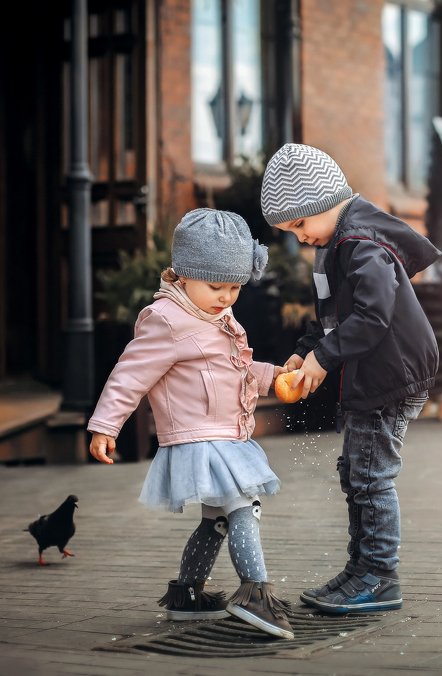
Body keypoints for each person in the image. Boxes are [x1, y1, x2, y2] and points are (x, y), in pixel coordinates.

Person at [87, 208, 293, 640]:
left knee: (216, 519)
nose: (226, 297)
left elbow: (237, 368)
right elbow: (130, 373)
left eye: (235, 287)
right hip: (199, 438)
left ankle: (188, 594)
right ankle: (255, 594)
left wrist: (275, 376)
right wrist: (106, 425)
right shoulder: (166, 320)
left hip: (225, 437)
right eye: (216, 286)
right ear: (183, 275)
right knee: (243, 508)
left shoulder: (218, 316)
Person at [260, 143, 441, 614]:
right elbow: (330, 319)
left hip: (392, 375)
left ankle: (380, 576)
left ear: (325, 203)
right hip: (372, 375)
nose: (299, 238)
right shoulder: (333, 244)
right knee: (357, 473)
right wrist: (305, 354)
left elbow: (371, 316)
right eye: (289, 231)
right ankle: (361, 570)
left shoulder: (360, 243)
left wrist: (323, 358)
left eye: (300, 225)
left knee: (371, 477)